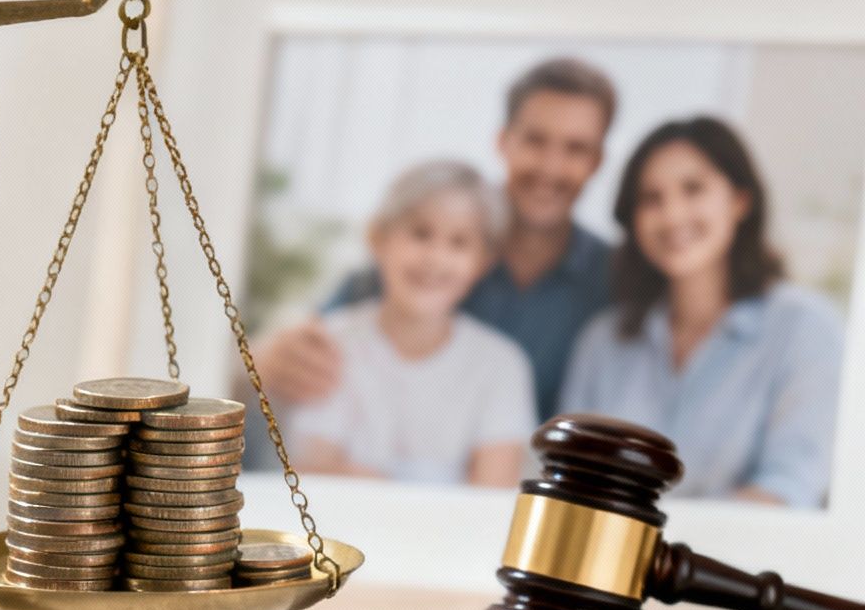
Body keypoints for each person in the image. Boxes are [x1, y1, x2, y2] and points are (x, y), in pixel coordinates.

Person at [257, 58, 617, 423]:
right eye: (535, 141)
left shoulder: (616, 280)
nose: (551, 168)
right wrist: (267, 360)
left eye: (576, 149)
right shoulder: (429, 249)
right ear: (503, 141)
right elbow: (313, 339)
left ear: (597, 161)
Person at [561, 117, 842, 507]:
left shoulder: (805, 329)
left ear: (740, 200)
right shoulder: (603, 341)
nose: (673, 214)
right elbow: (572, 483)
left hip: (744, 564)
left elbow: (792, 486)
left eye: (693, 190)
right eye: (651, 199)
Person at [280, 160, 535, 487]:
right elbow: (313, 476)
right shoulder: (332, 343)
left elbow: (491, 495)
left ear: (483, 262)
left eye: (459, 242)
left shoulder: (501, 366)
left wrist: (366, 478)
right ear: (378, 239)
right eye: (420, 234)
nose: (435, 258)